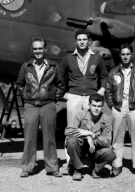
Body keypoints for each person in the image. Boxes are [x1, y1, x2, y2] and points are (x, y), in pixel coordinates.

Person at [59, 29, 108, 174]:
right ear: (75, 42)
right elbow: (59, 75)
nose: (82, 42)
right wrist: (64, 93)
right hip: (74, 97)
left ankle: (91, 163)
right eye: (79, 40)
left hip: (90, 98)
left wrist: (102, 90)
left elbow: (104, 75)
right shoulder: (68, 58)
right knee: (72, 131)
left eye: (84, 39)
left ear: (89, 41)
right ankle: (70, 163)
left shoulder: (96, 58)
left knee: (91, 130)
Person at [16, 37, 65, 178]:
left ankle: (52, 167)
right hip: (30, 106)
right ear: (33, 50)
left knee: (49, 138)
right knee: (29, 138)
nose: (37, 51)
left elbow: (61, 85)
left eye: (40, 48)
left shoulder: (54, 66)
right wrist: (27, 96)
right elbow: (19, 84)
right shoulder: (26, 66)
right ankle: (27, 167)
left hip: (48, 106)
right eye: (35, 48)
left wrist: (53, 98)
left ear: (45, 49)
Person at [105, 43, 135, 177]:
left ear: (131, 55)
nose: (125, 57)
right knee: (117, 139)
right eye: (123, 54)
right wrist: (112, 105)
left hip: (134, 107)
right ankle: (116, 165)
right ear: (120, 55)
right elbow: (108, 90)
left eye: (127, 54)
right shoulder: (113, 71)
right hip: (118, 107)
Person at [65, 93, 116, 181]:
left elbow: (107, 143)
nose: (96, 108)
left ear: (102, 106)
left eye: (99, 106)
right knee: (71, 141)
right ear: (89, 105)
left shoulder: (106, 119)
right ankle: (78, 169)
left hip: (95, 151)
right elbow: (68, 131)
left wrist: (92, 135)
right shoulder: (80, 115)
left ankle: (96, 169)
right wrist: (87, 137)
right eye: (94, 105)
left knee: (111, 153)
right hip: (80, 149)